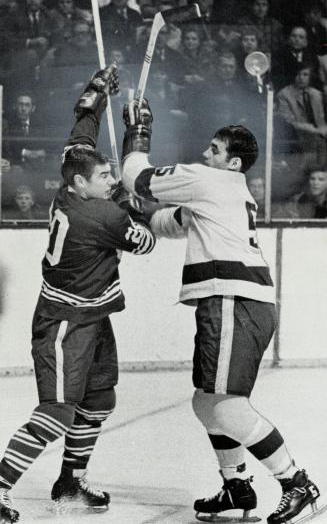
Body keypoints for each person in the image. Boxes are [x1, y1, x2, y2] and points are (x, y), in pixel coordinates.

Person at [120, 98, 320, 524]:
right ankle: (236, 486)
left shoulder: (208, 180)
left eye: (214, 149)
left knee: (226, 406)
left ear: (231, 163)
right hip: (232, 301)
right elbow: (168, 223)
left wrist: (138, 133)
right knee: (206, 403)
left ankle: (297, 483)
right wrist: (131, 210)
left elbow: (136, 177)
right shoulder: (223, 191)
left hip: (234, 301)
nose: (204, 154)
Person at [0, 66, 156, 523]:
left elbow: (81, 130)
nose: (109, 178)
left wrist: (96, 94)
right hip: (66, 324)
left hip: (90, 316)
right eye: (103, 176)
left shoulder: (75, 184)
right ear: (79, 185)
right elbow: (144, 239)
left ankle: (70, 482)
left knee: (98, 401)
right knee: (57, 411)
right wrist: (138, 139)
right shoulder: (101, 217)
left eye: (110, 173)